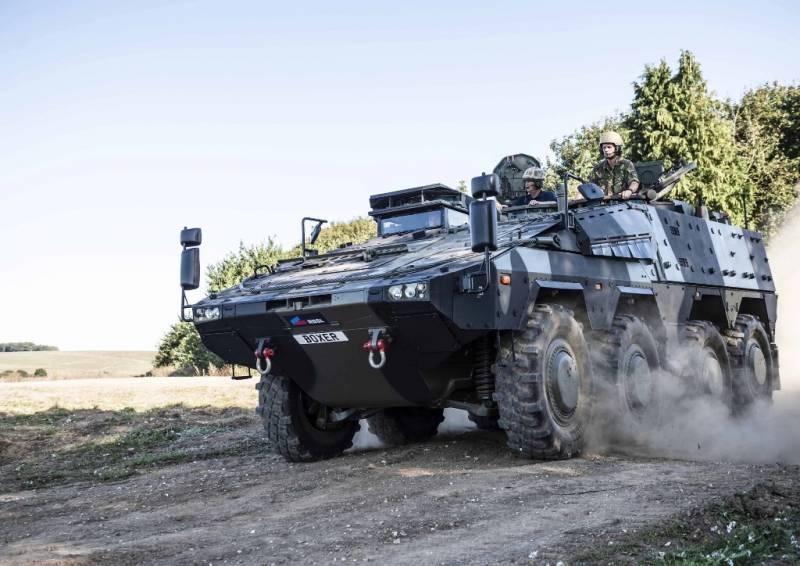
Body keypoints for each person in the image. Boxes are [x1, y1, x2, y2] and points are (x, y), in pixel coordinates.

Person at [588, 131, 640, 198]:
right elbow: (590, 185)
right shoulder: (598, 167)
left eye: (609, 147)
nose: (606, 150)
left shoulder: (626, 164)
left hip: (622, 201)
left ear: (617, 148)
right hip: (603, 202)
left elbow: (634, 181)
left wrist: (629, 191)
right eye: (604, 147)